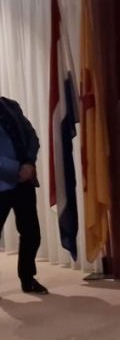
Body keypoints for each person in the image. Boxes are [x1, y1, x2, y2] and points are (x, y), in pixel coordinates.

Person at [0, 96, 46, 295]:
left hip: (24, 182)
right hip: (3, 181)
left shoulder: (10, 105)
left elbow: (31, 136)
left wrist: (29, 162)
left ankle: (28, 279)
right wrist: (15, 170)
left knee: (32, 233)